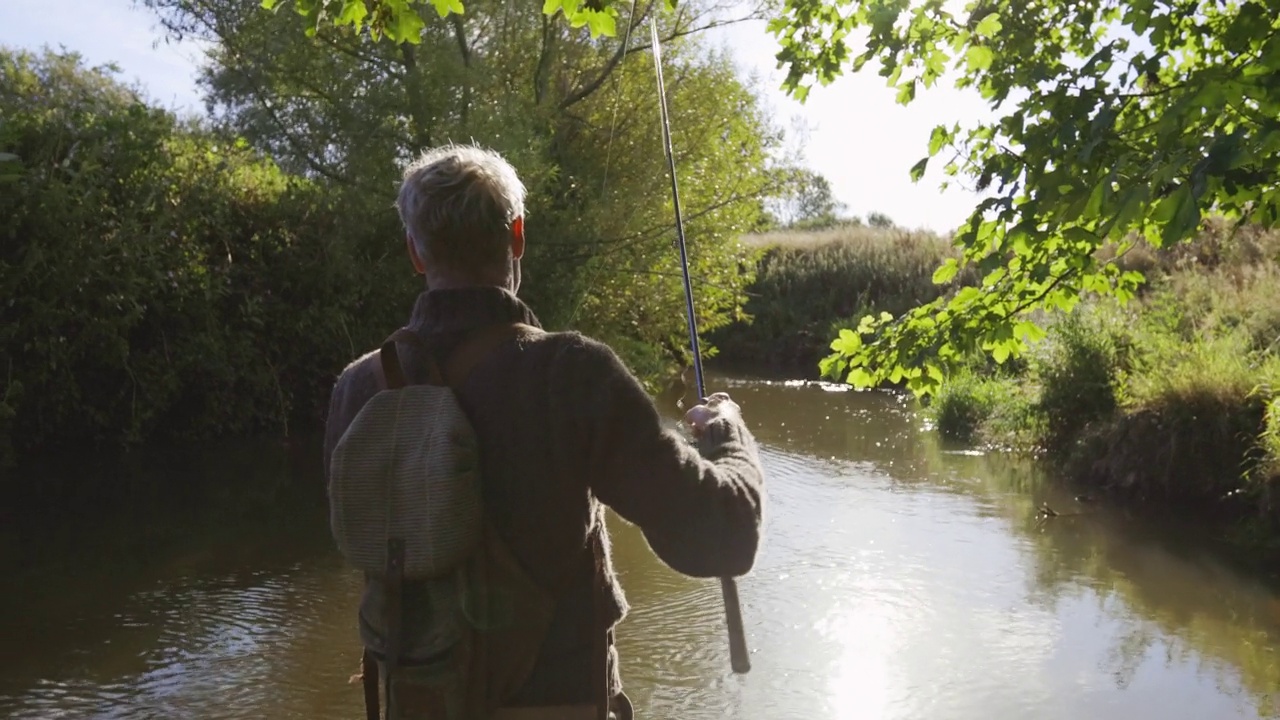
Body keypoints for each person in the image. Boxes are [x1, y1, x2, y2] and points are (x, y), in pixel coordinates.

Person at [323, 144, 766, 718]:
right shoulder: (570, 373)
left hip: (413, 701)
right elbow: (723, 534)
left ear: (414, 251)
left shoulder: (357, 389)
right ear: (518, 237)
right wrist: (728, 434)